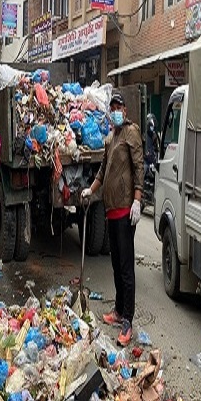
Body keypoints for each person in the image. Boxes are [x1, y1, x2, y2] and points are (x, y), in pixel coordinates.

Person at [82, 92, 145, 347]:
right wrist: (91, 189)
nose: (116, 110)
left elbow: (139, 167)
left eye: (120, 106)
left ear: (126, 110)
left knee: (126, 267)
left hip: (125, 210)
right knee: (116, 265)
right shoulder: (111, 137)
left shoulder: (131, 132)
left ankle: (128, 319)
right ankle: (118, 311)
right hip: (110, 210)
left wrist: (138, 199)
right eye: (113, 107)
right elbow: (103, 169)